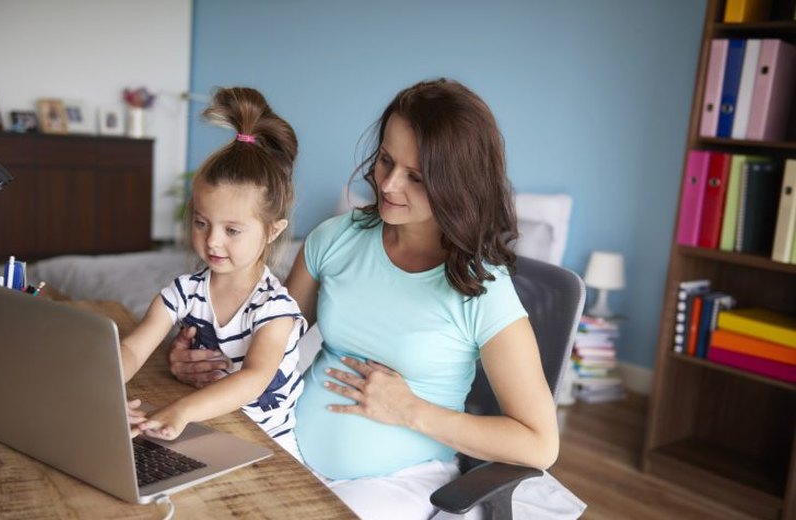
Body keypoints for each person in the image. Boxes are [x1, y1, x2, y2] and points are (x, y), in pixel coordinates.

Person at [168, 78, 585, 519]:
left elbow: (539, 444)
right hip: (290, 449)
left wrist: (411, 411)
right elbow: (270, 345)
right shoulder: (336, 239)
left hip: (398, 480)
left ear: (456, 184)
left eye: (415, 176)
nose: (387, 184)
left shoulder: (484, 289)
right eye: (386, 159)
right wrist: (199, 361)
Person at [124, 86, 306, 457]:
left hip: (269, 451)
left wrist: (181, 411)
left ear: (273, 230)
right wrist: (102, 389)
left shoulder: (275, 309)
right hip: (207, 433)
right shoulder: (183, 291)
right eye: (202, 223)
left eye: (232, 230)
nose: (213, 242)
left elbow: (254, 379)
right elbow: (132, 347)